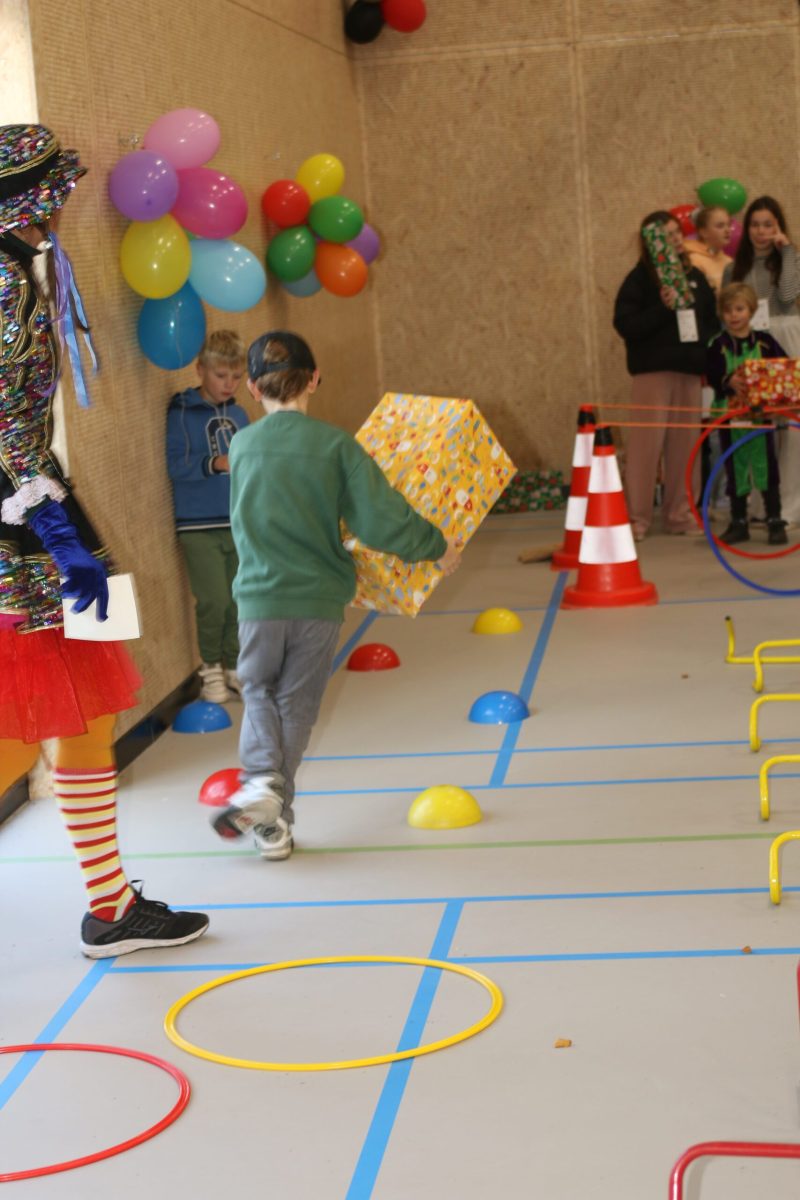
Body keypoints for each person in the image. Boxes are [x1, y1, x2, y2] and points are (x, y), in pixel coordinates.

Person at [0, 124, 208, 957]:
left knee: (84, 707)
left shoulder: (19, 270)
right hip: (25, 525)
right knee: (21, 720)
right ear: (32, 201)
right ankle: (113, 908)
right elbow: (3, 431)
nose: (66, 208)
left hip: (42, 509)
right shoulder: (3, 283)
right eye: (58, 194)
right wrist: (59, 536)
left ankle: (113, 908)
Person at [211, 331, 461, 860]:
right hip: (319, 602)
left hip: (259, 599)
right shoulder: (336, 446)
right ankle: (273, 817)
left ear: (252, 388)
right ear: (315, 379)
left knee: (258, 691)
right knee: (295, 707)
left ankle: (263, 790)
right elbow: (381, 520)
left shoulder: (242, 446)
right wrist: (436, 547)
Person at [613, 210, 719, 540]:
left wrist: (705, 354)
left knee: (685, 447)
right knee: (645, 447)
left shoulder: (696, 277)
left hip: (689, 372)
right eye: (665, 235)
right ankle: (637, 519)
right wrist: (662, 307)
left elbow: (711, 323)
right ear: (651, 242)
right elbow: (626, 325)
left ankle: (679, 515)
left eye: (676, 232)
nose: (674, 239)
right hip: (653, 373)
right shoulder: (639, 279)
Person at [166, 330, 249, 703]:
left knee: (238, 599)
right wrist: (215, 463)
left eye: (236, 376)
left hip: (237, 522)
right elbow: (176, 466)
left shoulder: (240, 414)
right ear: (200, 369)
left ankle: (235, 667)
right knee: (214, 600)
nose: (229, 384)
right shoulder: (182, 413)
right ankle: (211, 670)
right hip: (198, 525)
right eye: (221, 375)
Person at [723, 196, 800, 523]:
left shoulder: (789, 259)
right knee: (756, 425)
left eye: (768, 224)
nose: (761, 231)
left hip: (787, 341)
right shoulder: (733, 269)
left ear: (778, 226)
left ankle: (791, 504)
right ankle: (760, 504)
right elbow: (726, 314)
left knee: (792, 428)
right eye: (755, 224)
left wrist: (788, 251)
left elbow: (788, 296)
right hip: (751, 344)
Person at [705, 283, 787, 545]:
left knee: (766, 466)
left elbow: (782, 369)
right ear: (722, 313)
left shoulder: (765, 342)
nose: (734, 315)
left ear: (751, 310)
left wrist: (782, 401)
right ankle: (738, 521)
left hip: (760, 417)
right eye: (728, 310)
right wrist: (727, 380)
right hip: (729, 417)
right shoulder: (717, 344)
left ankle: (774, 519)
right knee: (735, 467)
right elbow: (711, 373)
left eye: (739, 309)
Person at [684, 207, 732, 295]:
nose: (727, 230)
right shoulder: (694, 261)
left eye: (728, 225)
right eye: (720, 226)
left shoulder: (729, 261)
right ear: (703, 232)